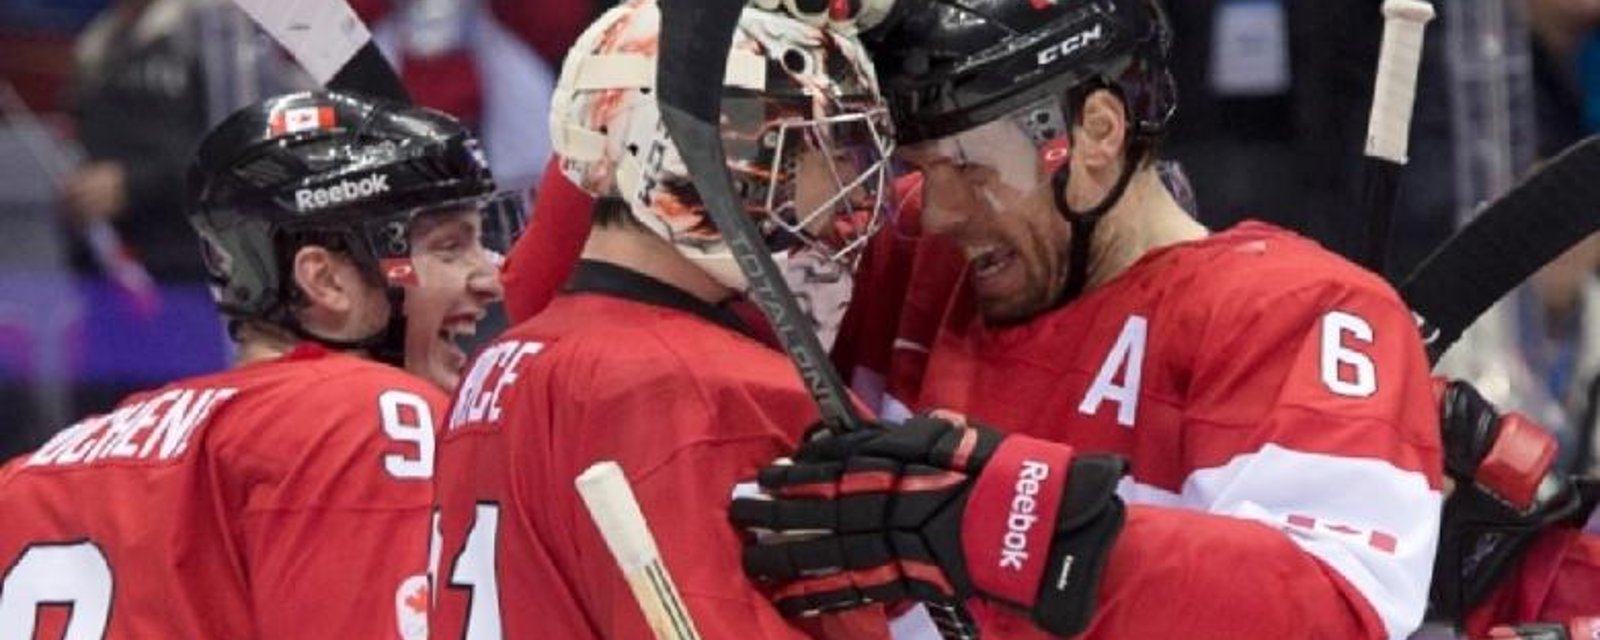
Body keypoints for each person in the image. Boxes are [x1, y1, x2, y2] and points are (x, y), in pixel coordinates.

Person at [732, 1, 1445, 638]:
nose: (940, 211)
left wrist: (1025, 527)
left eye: (969, 168)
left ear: (1095, 131)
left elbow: (1334, 609)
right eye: (921, 168)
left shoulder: (1297, 312)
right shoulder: (908, 248)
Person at [428, 2, 900, 637]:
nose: (851, 188)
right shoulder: (715, 389)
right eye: (824, 150)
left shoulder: (500, 362)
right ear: (714, 159)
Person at [0, 90, 509, 638]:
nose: (492, 278)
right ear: (326, 280)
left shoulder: (39, 469)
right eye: (449, 248)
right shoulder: (370, 416)